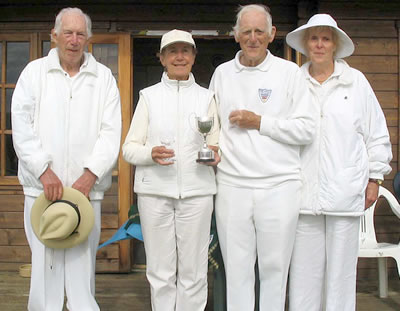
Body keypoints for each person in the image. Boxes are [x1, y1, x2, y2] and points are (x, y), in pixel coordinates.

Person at [11, 7, 121, 311]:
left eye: (80, 34)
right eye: (68, 33)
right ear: (55, 36)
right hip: (42, 189)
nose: (74, 40)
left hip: (85, 191)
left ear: (88, 38)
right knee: (45, 267)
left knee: (81, 267)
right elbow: (21, 126)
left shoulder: (103, 78)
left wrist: (90, 175)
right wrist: (43, 171)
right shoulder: (33, 73)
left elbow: (111, 133)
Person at [209, 4, 317, 311]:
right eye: (246, 32)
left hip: (280, 186)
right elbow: (211, 124)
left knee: (274, 270)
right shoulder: (222, 73)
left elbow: (306, 129)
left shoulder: (290, 73)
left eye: (259, 32)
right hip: (232, 186)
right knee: (237, 271)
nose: (252, 38)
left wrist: (260, 122)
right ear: (236, 36)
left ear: (272, 34)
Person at [285, 13, 392, 311]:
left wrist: (375, 178)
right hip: (303, 194)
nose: (319, 44)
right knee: (304, 273)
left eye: (326, 38)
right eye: (314, 38)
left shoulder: (356, 82)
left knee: (341, 274)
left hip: (345, 191)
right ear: (306, 44)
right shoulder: (293, 82)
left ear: (335, 44)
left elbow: (376, 134)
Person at [122, 29, 220, 311]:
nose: (180, 56)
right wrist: (150, 154)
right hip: (155, 194)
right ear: (162, 58)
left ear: (193, 56)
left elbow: (215, 145)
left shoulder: (207, 97)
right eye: (173, 51)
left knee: (193, 272)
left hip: (197, 194)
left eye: (185, 51)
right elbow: (129, 149)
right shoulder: (149, 97)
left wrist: (214, 155)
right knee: (161, 272)